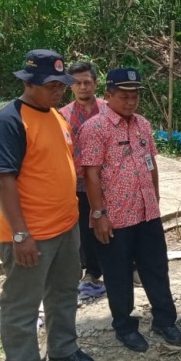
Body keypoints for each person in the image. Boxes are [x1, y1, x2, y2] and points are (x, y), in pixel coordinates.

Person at [0, 50, 95, 361]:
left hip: (65, 228)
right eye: (51, 84)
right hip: (31, 234)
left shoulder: (56, 117)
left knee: (64, 293)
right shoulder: (10, 121)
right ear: (28, 82)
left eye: (61, 84)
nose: (59, 91)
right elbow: (3, 180)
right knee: (22, 305)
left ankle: (63, 346)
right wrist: (20, 234)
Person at [79, 68, 181, 353]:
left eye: (135, 95)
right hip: (114, 218)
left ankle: (164, 320)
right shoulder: (95, 128)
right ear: (108, 96)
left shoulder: (143, 125)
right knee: (118, 274)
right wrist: (98, 215)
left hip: (147, 213)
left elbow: (150, 161)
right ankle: (125, 326)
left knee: (156, 268)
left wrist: (156, 196)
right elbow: (91, 175)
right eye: (124, 95)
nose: (130, 101)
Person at [59, 61, 106, 287]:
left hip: (108, 179)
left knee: (112, 222)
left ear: (96, 84)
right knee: (84, 227)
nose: (83, 87)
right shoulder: (62, 116)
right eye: (78, 83)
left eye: (87, 82)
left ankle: (122, 265)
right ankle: (90, 269)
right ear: (71, 86)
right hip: (77, 181)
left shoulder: (109, 110)